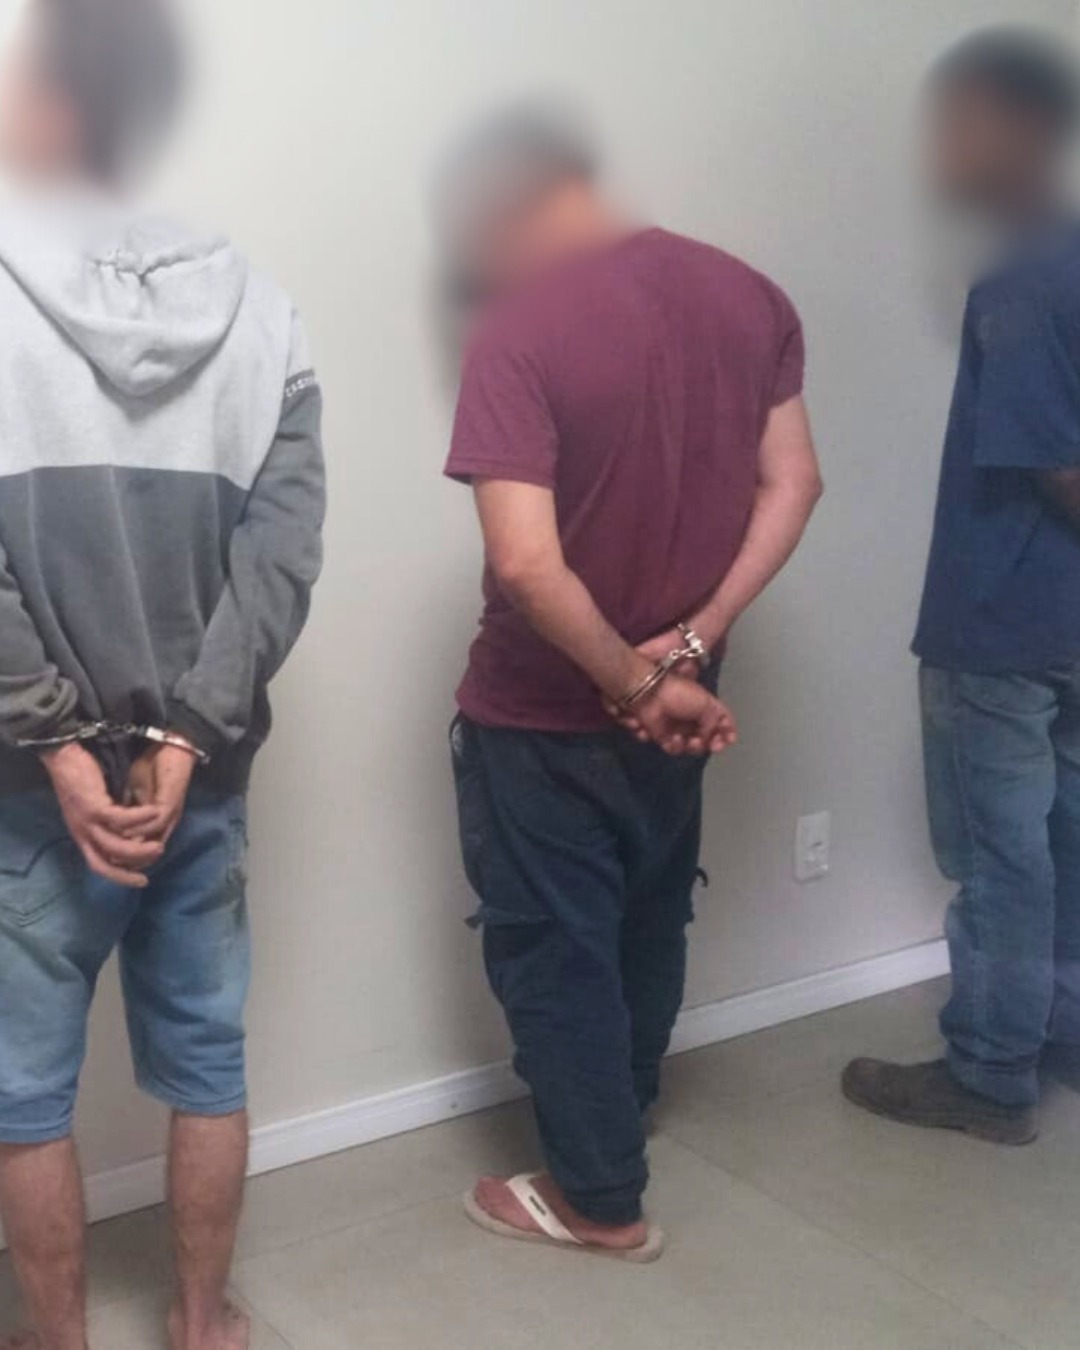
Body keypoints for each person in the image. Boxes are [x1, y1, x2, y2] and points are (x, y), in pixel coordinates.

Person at [438, 106, 823, 1260]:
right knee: (648, 914)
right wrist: (688, 650)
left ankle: (599, 1199)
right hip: (682, 703)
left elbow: (524, 562)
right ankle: (623, 1108)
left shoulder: (518, 324)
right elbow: (795, 483)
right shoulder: (748, 295)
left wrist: (629, 679)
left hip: (543, 712)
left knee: (555, 946)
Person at [0, 1, 325, 1347]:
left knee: (23, 1094)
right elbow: (284, 555)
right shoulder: (265, 310)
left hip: (27, 795)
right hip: (201, 785)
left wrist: (57, 742)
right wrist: (188, 736)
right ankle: (200, 1322)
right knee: (206, 1063)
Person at [843, 29, 1080, 1145]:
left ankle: (989, 1072)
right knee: (1067, 843)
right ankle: (1059, 1033)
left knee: (999, 855)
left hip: (999, 624)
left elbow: (1056, 467)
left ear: (1021, 128)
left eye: (957, 122)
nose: (938, 147)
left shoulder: (1023, 278)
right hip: (1068, 624)